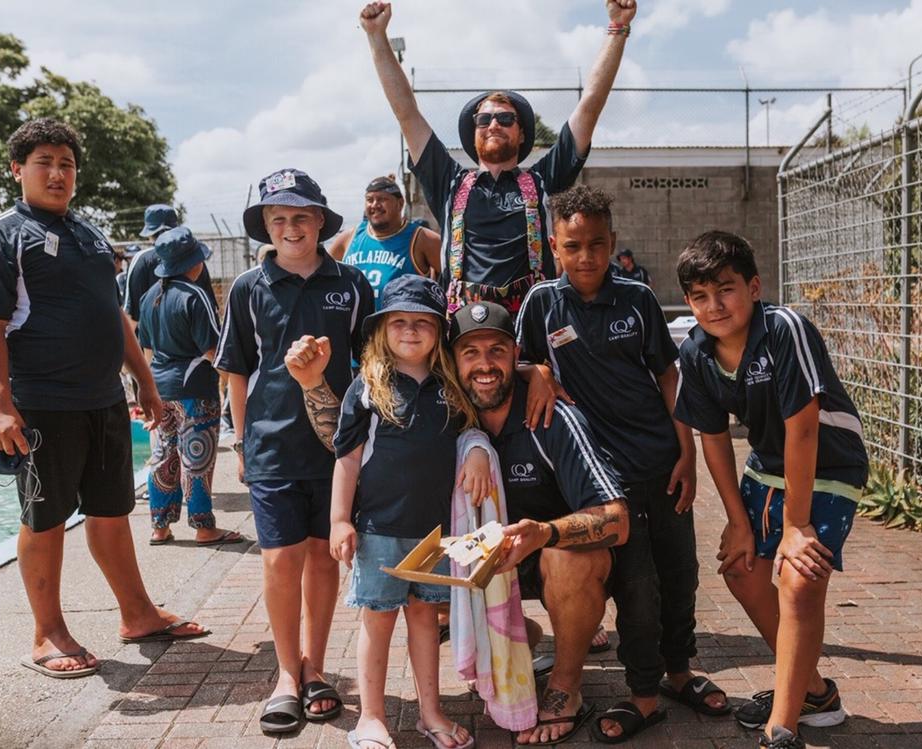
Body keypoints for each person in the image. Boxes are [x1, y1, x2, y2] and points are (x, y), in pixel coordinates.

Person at [0, 118, 209, 679]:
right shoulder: (3, 235)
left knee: (111, 511)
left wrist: (145, 383)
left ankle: (138, 614)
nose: (57, 174)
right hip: (42, 402)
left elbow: (114, 316)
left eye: (67, 164)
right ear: (17, 170)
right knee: (45, 518)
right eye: (44, 163)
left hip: (103, 398)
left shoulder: (90, 236)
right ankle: (47, 633)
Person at [516, 185, 728, 742]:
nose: (586, 256)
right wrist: (538, 371)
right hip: (606, 477)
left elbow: (668, 375)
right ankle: (643, 694)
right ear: (555, 248)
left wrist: (686, 453)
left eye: (597, 244)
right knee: (637, 585)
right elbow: (518, 363)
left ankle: (680, 672)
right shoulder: (541, 303)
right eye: (573, 246)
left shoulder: (637, 299)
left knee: (680, 573)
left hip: (662, 461)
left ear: (612, 242)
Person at [674, 230, 869, 749]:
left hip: (829, 462)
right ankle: (814, 694)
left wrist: (795, 525)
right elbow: (713, 438)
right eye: (700, 296)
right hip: (768, 467)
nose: (714, 306)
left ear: (754, 287)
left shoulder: (784, 329)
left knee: (799, 578)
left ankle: (781, 729)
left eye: (726, 289)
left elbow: (803, 429)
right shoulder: (695, 352)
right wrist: (738, 523)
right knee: (741, 568)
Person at [286, 275, 489, 749]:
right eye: (399, 321)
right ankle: (371, 717)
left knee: (424, 620)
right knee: (377, 622)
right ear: (381, 329)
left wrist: (478, 448)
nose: (411, 330)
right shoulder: (367, 387)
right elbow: (347, 458)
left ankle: (430, 712)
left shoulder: (451, 386)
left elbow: (468, 432)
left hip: (434, 532)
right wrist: (339, 520)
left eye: (423, 322)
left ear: (439, 332)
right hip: (379, 529)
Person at [216, 168, 374, 732]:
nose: (291, 227)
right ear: (266, 225)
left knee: (323, 556)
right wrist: (241, 441)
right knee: (280, 559)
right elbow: (236, 371)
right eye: (279, 218)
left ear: (320, 221)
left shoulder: (351, 284)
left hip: (335, 448)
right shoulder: (247, 288)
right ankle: (286, 673)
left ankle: (315, 667)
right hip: (271, 445)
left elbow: (370, 363)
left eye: (301, 217)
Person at [360, 0, 637, 315]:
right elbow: (406, 113)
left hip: (532, 324)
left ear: (522, 134)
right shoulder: (448, 181)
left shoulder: (544, 180)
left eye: (506, 119)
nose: (493, 125)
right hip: (465, 327)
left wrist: (617, 27)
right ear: (474, 132)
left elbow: (589, 106)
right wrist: (376, 36)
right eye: (484, 119)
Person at [449, 301, 632, 745]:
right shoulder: (446, 415)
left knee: (567, 559)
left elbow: (617, 521)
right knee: (408, 572)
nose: (484, 365)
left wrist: (545, 533)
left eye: (497, 350)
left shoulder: (553, 417)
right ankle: (519, 637)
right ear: (452, 362)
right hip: (485, 563)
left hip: (547, 557)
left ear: (516, 355)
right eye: (470, 353)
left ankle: (565, 687)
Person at [138, 226, 243, 547]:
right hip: (194, 388)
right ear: (193, 263)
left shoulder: (149, 296)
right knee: (197, 458)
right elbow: (214, 349)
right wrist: (232, 380)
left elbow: (147, 348)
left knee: (163, 455)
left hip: (160, 388)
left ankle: (159, 526)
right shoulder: (195, 295)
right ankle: (203, 527)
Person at [328, 174, 442, 305]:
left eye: (382, 199)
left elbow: (456, 280)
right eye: (369, 200)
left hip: (400, 317)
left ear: (400, 203)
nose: (375, 205)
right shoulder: (348, 238)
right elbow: (322, 278)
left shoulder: (421, 238)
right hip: (356, 318)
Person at [123, 203, 218, 331]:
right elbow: (211, 308)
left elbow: (132, 316)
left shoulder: (141, 260)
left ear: (150, 232)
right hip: (195, 339)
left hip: (151, 340)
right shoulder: (195, 259)